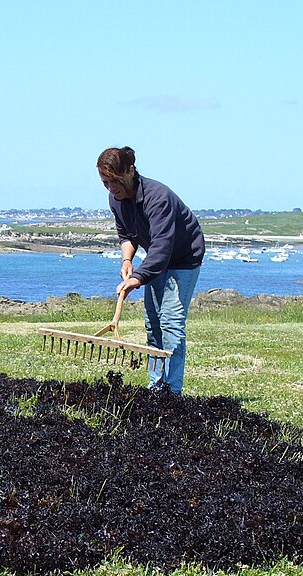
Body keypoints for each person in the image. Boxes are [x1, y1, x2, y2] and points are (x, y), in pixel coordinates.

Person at [98, 146, 204, 395]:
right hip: (158, 259)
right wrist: (127, 261)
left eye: (115, 181)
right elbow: (126, 234)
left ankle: (173, 390)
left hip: (184, 257)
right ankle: (155, 386)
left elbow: (162, 246)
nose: (112, 188)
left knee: (171, 322)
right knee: (153, 323)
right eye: (105, 183)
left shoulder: (158, 197)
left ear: (131, 171)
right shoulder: (116, 198)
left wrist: (137, 278)